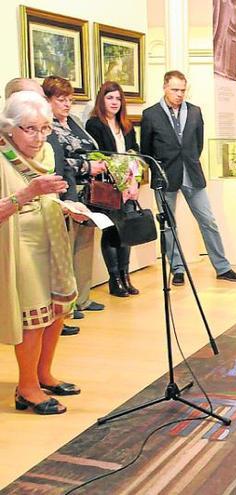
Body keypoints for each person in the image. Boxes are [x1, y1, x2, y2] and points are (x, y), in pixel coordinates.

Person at [1, 90, 87, 414]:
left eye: (45, 128)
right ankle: (26, 388)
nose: (39, 137)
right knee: (33, 318)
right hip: (18, 242)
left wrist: (69, 208)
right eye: (30, 129)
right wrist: (26, 194)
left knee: (56, 311)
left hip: (51, 235)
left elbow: (49, 196)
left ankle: (44, 374)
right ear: (10, 127)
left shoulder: (49, 152)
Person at [140, 70, 236, 286]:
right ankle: (177, 268)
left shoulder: (195, 111)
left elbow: (198, 144)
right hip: (165, 176)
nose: (179, 94)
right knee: (169, 225)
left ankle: (223, 267)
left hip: (192, 174)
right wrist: (158, 170)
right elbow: (146, 149)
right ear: (165, 88)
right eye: (175, 90)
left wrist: (189, 162)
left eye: (182, 90)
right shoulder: (151, 114)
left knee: (208, 221)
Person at [44, 76, 108, 319]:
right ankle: (68, 301)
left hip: (89, 192)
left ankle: (83, 297)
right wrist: (86, 167)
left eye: (70, 100)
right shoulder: (47, 126)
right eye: (61, 100)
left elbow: (91, 147)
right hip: (67, 191)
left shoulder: (74, 122)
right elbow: (57, 161)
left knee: (85, 245)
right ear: (48, 100)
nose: (67, 104)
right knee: (67, 247)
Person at [85, 82, 144, 298]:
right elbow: (99, 156)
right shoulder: (94, 124)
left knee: (126, 231)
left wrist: (134, 182)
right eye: (110, 98)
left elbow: (135, 154)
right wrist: (119, 180)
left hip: (128, 187)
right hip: (108, 187)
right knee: (111, 231)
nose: (114, 103)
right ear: (102, 100)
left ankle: (125, 276)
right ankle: (114, 279)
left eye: (118, 99)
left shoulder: (126, 125)